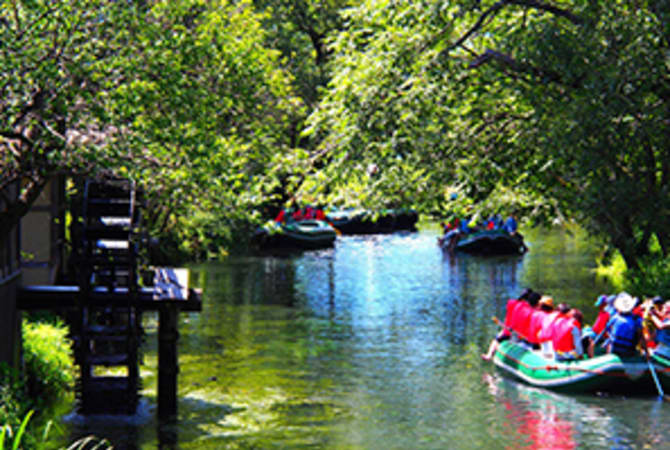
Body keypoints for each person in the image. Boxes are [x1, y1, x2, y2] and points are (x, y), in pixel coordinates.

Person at [481, 288, 534, 361]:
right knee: (500, 337)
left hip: (509, 331)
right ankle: (489, 355)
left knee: (497, 339)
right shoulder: (529, 308)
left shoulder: (511, 303)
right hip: (519, 333)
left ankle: (489, 355)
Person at [607, 292, 643, 357]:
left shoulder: (615, 317)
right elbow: (641, 337)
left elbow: (609, 330)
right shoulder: (637, 320)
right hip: (628, 350)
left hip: (614, 348)